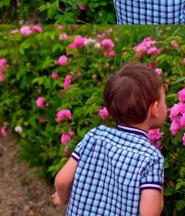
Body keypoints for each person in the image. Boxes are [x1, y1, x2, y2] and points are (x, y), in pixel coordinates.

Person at [52, 63, 167, 216]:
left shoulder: (95, 136)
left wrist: (62, 198)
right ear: (154, 109)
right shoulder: (150, 158)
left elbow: (62, 181)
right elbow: (149, 212)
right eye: (165, 100)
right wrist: (159, 199)